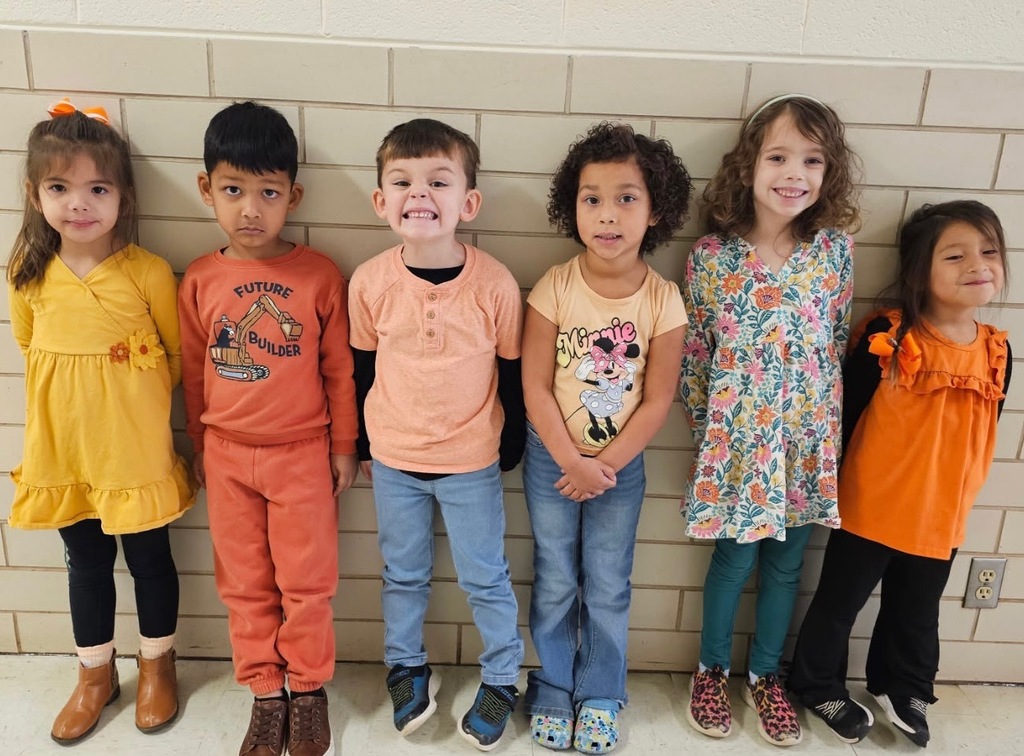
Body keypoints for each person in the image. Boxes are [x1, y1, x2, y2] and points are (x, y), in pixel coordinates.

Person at [787, 200, 1012, 748]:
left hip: (943, 510)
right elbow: (845, 413)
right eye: (954, 255)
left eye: (988, 251)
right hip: (872, 501)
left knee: (917, 608)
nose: (976, 264)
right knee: (840, 602)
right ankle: (817, 683)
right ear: (919, 272)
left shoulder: (997, 349)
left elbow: (986, 426)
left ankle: (904, 685)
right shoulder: (888, 336)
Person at [6, 99, 195, 744]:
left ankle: (157, 663)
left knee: (150, 559)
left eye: (96, 188)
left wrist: (128, 399)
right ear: (35, 195)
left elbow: (173, 357)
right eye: (60, 188)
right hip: (65, 454)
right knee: (83, 564)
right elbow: (32, 352)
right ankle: (93, 673)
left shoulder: (145, 273)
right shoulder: (27, 276)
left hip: (133, 452)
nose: (78, 203)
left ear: (122, 196)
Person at [679, 94, 860, 747]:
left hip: (806, 440)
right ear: (748, 166)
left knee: (787, 566)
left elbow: (834, 340)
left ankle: (765, 676)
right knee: (733, 561)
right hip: (738, 442)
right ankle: (710, 671)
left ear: (828, 172)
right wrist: (714, 434)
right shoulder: (712, 256)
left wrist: (816, 424)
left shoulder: (833, 252)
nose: (795, 173)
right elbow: (697, 350)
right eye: (779, 156)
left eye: (812, 160)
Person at [178, 101, 358, 756]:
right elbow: (193, 373)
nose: (250, 209)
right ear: (207, 190)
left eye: (267, 192)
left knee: (306, 582)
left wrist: (343, 448)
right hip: (226, 455)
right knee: (244, 582)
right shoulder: (199, 279)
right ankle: (263, 691)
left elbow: (340, 371)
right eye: (233, 190)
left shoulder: (317, 276)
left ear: (292, 196)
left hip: (302, 454)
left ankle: (307, 692)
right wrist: (199, 447)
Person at [348, 118, 526, 751]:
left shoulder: (496, 284)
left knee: (486, 576)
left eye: (437, 181)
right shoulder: (369, 283)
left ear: (467, 203)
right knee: (403, 574)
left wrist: (512, 444)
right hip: (393, 458)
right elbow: (361, 369)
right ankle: (405, 667)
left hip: (471, 459)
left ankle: (503, 676)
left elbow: (511, 371)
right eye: (402, 181)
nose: (418, 193)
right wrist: (364, 446)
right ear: (381, 201)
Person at [521, 122, 691, 754]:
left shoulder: (663, 301)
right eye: (592, 198)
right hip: (551, 461)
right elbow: (535, 388)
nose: (607, 214)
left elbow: (657, 400)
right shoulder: (555, 286)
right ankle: (555, 686)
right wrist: (571, 460)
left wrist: (604, 465)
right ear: (573, 207)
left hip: (620, 468)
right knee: (558, 575)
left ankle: (600, 692)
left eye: (626, 198)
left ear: (656, 211)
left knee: (609, 581)